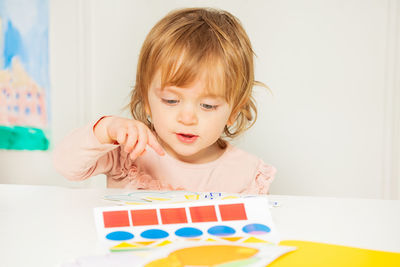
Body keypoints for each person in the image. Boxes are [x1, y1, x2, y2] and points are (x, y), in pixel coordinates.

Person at [53, 7, 276, 194]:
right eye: (170, 100)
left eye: (207, 105)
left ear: (234, 112)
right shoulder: (128, 152)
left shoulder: (246, 173)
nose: (187, 118)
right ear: (146, 99)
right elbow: (66, 166)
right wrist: (105, 129)